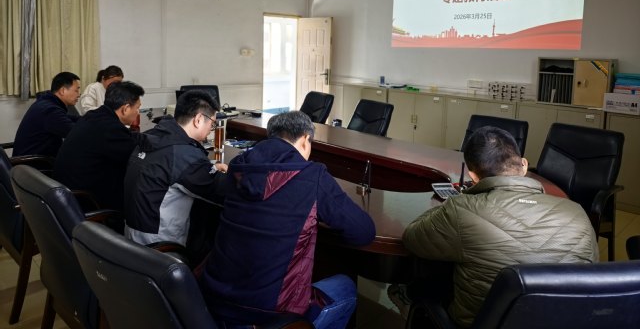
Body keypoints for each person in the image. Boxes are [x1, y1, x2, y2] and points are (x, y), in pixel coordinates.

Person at [389, 126, 599, 327]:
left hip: (482, 323)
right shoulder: (577, 213)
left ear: (472, 176)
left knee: (427, 279)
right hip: (566, 322)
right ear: (524, 165)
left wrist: (455, 203)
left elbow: (412, 238)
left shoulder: (462, 210)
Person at [198, 110, 376, 329]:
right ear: (305, 139)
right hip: (271, 313)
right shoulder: (312, 175)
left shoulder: (238, 167)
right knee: (346, 287)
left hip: (214, 299)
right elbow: (363, 232)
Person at [123, 90, 227, 252]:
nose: (211, 129)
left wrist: (210, 167)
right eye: (212, 124)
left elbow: (170, 166)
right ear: (198, 119)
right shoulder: (183, 154)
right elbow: (222, 190)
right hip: (159, 248)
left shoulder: (152, 136)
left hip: (131, 235)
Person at [53, 81, 145, 211]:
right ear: (125, 109)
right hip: (87, 201)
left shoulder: (94, 116)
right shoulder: (111, 129)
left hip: (68, 193)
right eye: (137, 108)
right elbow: (137, 157)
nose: (138, 112)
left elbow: (126, 139)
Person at [12, 72, 81, 158]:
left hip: (33, 159)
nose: (79, 94)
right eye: (76, 90)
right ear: (63, 91)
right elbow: (77, 133)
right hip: (34, 163)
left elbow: (68, 118)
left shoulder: (47, 103)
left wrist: (90, 119)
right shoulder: (50, 110)